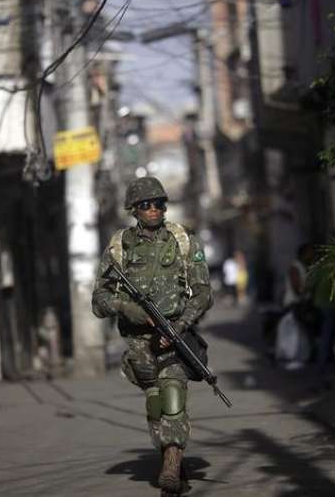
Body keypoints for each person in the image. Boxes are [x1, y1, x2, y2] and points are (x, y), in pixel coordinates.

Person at [92, 177, 213, 496]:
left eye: (159, 203)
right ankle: (172, 462)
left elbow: (203, 294)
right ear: (133, 209)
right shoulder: (119, 247)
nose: (154, 210)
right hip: (138, 344)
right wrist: (127, 309)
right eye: (146, 205)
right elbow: (99, 301)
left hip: (175, 334)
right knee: (156, 405)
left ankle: (171, 470)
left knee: (173, 392)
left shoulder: (183, 240)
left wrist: (180, 325)